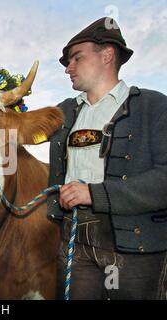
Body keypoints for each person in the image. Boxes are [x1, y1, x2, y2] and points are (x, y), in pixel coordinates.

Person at [47, 17, 167, 300]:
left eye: (77, 58)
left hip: (134, 243)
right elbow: (17, 126)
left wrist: (94, 193)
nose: (68, 68)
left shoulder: (154, 107)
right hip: (74, 237)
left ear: (107, 55)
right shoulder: (62, 113)